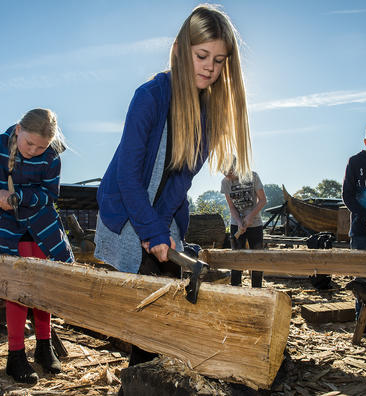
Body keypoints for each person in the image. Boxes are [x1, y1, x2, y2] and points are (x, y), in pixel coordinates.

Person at [95, 4, 251, 367]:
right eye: (202, 55)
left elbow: (181, 180)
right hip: (127, 207)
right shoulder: (149, 96)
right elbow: (128, 177)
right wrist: (147, 230)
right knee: (148, 302)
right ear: (181, 50)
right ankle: (141, 376)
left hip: (164, 212)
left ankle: (155, 368)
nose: (210, 67)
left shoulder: (209, 114)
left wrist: (159, 231)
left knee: (168, 290)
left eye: (219, 60)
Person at [0, 108, 74, 384]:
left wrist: (20, 196)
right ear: (18, 129)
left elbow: (50, 194)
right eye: (29, 143)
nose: (34, 150)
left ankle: (44, 347)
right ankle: (15, 354)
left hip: (42, 228)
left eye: (41, 147)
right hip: (11, 230)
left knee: (42, 286)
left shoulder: (51, 155)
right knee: (16, 290)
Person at [342, 122, 366, 332]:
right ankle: (362, 325)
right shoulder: (355, 162)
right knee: (362, 281)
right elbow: (347, 195)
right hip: (362, 231)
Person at [221, 165, 266, 287]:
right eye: (224, 173)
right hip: (237, 225)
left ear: (236, 167)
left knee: (257, 259)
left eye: (229, 173)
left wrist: (250, 216)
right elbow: (231, 207)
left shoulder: (253, 176)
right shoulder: (225, 182)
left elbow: (262, 200)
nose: (227, 177)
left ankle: (257, 290)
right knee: (236, 259)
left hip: (255, 224)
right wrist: (239, 221)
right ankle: (236, 289)